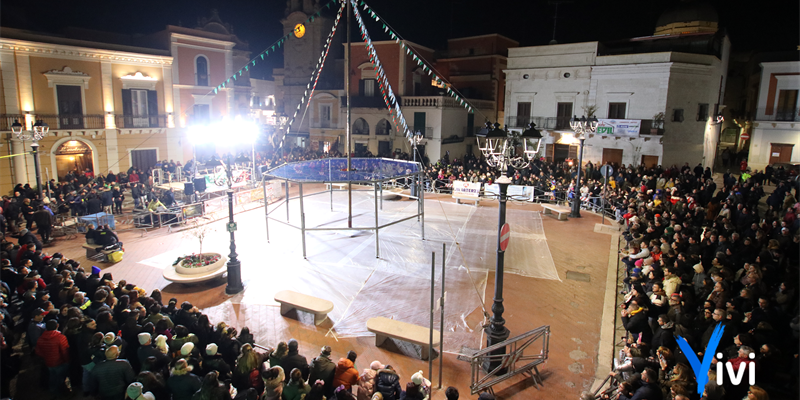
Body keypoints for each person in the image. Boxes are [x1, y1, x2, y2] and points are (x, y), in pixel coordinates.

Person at [35, 319, 70, 395]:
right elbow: (64, 352)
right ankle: (61, 393)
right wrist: (67, 361)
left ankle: (53, 391)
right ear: (57, 326)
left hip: (48, 362)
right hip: (60, 362)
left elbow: (38, 351)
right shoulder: (60, 337)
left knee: (52, 376)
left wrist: (46, 357)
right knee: (60, 378)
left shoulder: (40, 338)